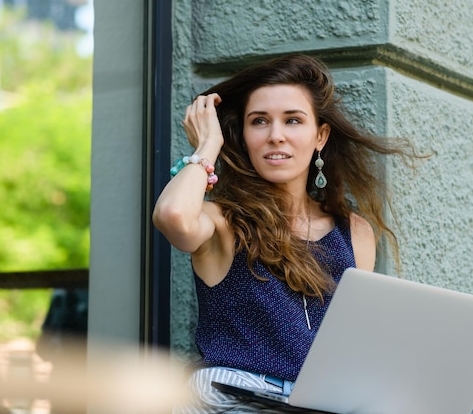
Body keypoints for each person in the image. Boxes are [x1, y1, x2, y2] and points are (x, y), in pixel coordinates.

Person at [153, 54, 421, 413]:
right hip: (234, 394)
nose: (275, 136)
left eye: (292, 120)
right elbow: (172, 216)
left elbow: (352, 343)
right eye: (259, 121)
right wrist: (207, 147)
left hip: (319, 403)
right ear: (244, 135)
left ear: (320, 135)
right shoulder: (221, 221)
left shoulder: (353, 232)